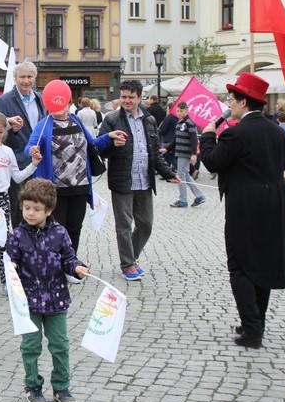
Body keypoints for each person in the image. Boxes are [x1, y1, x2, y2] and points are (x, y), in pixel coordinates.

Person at [200, 73, 285, 349]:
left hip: (246, 204)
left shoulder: (236, 132)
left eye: (232, 99)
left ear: (243, 102)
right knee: (262, 262)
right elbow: (284, 161)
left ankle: (252, 330)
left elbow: (212, 162)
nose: (230, 104)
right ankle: (256, 321)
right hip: (275, 202)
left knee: (240, 265)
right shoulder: (276, 130)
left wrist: (207, 136)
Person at [6, 178, 88, 402]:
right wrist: (10, 266)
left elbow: (69, 259)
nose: (30, 213)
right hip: (28, 302)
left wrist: (77, 268)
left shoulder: (60, 233)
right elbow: (10, 261)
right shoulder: (17, 236)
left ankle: (61, 386)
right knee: (31, 345)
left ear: (49, 210)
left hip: (57, 300)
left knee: (60, 344)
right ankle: (32, 385)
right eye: (26, 208)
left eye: (36, 209)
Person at [99, 81, 179, 281]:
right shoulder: (111, 119)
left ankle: (132, 258)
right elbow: (99, 149)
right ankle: (127, 265)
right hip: (122, 180)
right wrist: (111, 143)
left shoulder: (149, 120)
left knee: (145, 224)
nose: (126, 100)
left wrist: (168, 173)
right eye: (123, 96)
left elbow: (154, 152)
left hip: (144, 180)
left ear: (139, 98)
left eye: (130, 97)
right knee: (124, 226)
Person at [26, 98, 126, 255]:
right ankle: (55, 266)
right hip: (55, 189)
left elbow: (92, 144)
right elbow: (29, 147)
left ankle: (70, 265)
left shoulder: (76, 120)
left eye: (62, 102)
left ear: (68, 103)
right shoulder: (44, 124)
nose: (58, 106)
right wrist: (32, 151)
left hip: (80, 185)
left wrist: (109, 137)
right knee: (55, 230)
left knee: (75, 228)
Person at [0, 111, 41, 296]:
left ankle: (6, 281)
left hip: (3, 198)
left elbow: (17, 176)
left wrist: (33, 164)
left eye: (0, 132)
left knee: (4, 241)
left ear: (5, 132)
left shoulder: (8, 152)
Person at [0, 60, 47, 227]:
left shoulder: (40, 98)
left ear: (35, 78)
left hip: (38, 160)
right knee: (19, 205)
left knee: (38, 202)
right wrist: (9, 123)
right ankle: (20, 241)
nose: (26, 81)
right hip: (17, 161)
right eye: (22, 77)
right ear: (15, 78)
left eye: (29, 77)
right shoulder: (4, 100)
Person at [160, 102, 206, 208]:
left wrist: (194, 154)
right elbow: (175, 140)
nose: (179, 113)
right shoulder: (179, 123)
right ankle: (199, 196)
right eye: (178, 111)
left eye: (181, 111)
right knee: (185, 175)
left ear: (186, 110)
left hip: (185, 152)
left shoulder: (189, 123)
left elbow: (194, 138)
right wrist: (167, 149)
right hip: (179, 152)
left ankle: (183, 200)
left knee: (181, 176)